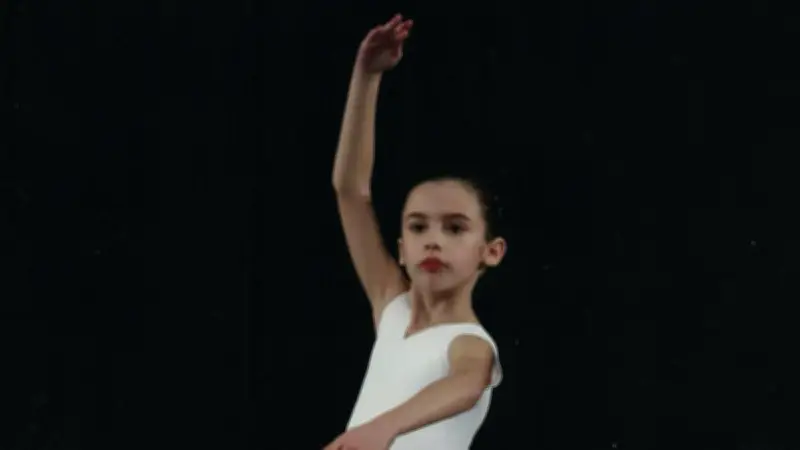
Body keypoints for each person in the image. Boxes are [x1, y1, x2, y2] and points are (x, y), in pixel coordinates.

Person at [326, 14, 507, 450]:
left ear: (491, 251)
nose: (434, 239)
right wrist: (367, 77)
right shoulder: (393, 308)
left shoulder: (470, 343)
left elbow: (468, 382)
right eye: (418, 226)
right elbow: (351, 191)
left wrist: (382, 427)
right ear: (402, 249)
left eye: (455, 228)